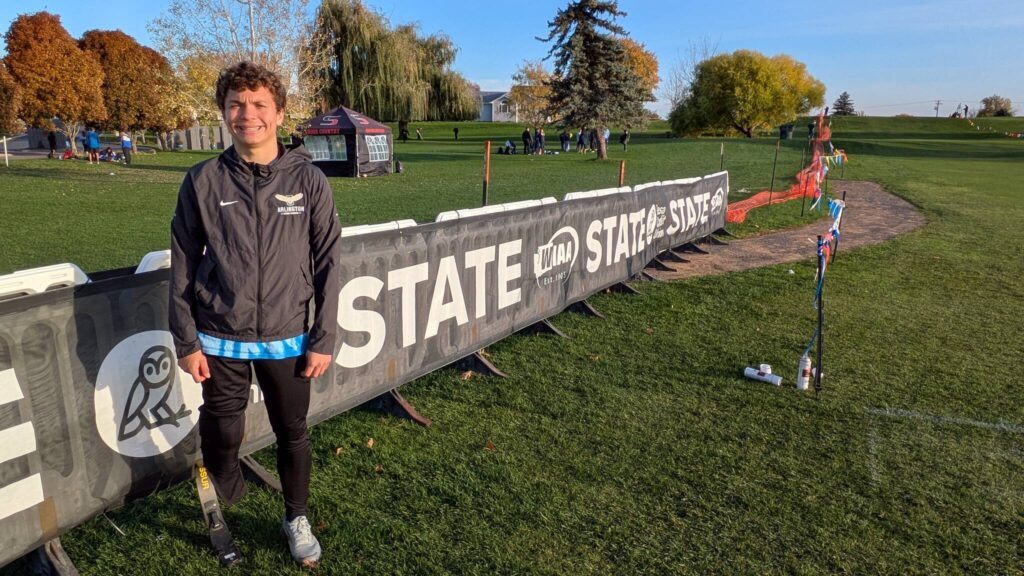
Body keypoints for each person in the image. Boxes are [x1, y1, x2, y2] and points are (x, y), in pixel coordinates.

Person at [169, 61, 340, 567]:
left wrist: (324, 335)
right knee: (222, 431)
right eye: (236, 104)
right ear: (224, 112)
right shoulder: (201, 180)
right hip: (219, 332)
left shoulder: (308, 180)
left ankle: (296, 517)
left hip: (289, 333)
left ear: (279, 113)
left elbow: (329, 260)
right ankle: (224, 476)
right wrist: (185, 340)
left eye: (259, 104)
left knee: (293, 430)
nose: (248, 114)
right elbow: (181, 264)